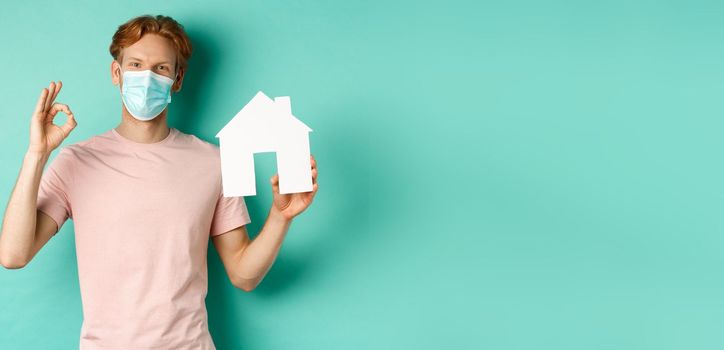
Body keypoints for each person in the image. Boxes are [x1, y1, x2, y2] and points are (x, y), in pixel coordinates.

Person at [0, 14, 318, 349]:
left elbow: (243, 274)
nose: (147, 77)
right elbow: (12, 255)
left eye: (161, 68)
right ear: (116, 73)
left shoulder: (214, 162)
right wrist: (37, 153)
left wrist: (280, 217)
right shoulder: (76, 162)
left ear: (177, 79)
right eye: (135, 64)